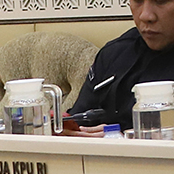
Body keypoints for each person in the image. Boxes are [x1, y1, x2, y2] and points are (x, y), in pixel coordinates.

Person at [66, 0, 174, 135]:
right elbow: (76, 123)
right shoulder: (113, 54)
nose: (145, 16)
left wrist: (125, 140)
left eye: (161, 1)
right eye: (137, 1)